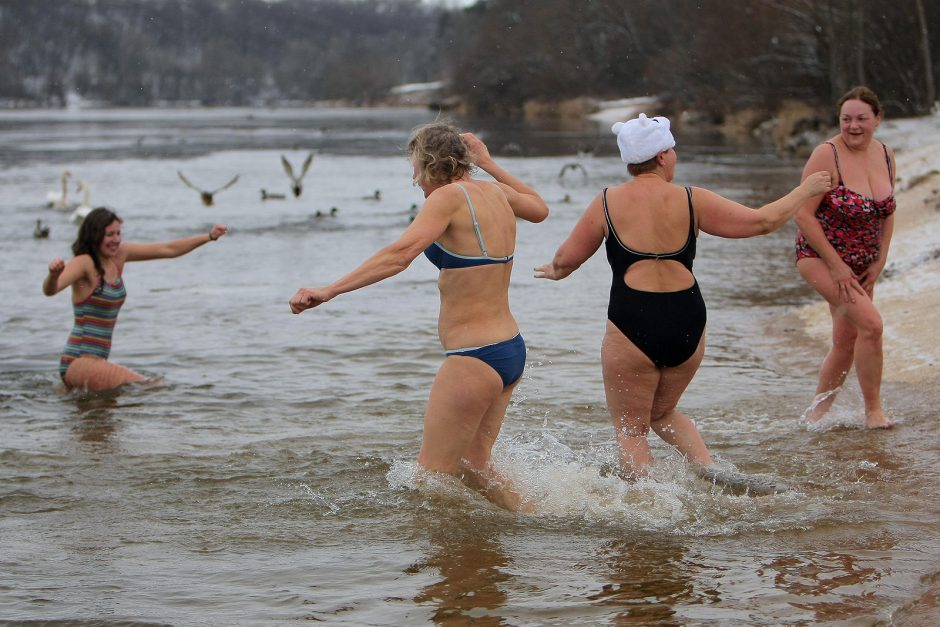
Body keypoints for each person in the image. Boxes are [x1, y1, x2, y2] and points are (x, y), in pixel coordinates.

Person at [535, 113, 831, 477]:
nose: (674, 156)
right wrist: (805, 190)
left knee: (632, 430)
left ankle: (646, 512)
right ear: (661, 156)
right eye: (672, 150)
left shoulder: (607, 202)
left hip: (633, 321)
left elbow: (567, 260)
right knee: (662, 412)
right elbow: (762, 222)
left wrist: (554, 270)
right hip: (687, 321)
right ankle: (714, 474)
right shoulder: (693, 199)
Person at [289, 122, 549, 511]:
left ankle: (447, 567)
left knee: (429, 478)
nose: (413, 179)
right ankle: (539, 523)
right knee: (474, 465)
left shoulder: (446, 199)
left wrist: (329, 290)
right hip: (508, 349)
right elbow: (539, 208)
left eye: (415, 168)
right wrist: (489, 163)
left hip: (474, 356)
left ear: (431, 165)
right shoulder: (496, 193)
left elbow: (399, 254)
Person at [794, 86, 896, 429]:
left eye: (862, 119)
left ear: (877, 120)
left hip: (864, 262)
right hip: (820, 258)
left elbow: (886, 211)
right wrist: (836, 266)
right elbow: (803, 214)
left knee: (846, 340)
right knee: (872, 325)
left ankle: (816, 416)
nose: (853, 126)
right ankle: (874, 412)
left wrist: (880, 261)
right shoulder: (827, 155)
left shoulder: (886, 155)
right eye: (846, 119)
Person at [43, 206, 228, 391]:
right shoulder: (84, 262)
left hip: (97, 361)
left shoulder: (118, 256)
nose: (116, 240)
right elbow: (51, 290)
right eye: (109, 235)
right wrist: (53, 275)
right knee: (151, 387)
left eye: (118, 233)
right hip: (79, 361)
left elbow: (168, 249)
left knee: (102, 415)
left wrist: (209, 236)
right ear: (95, 235)